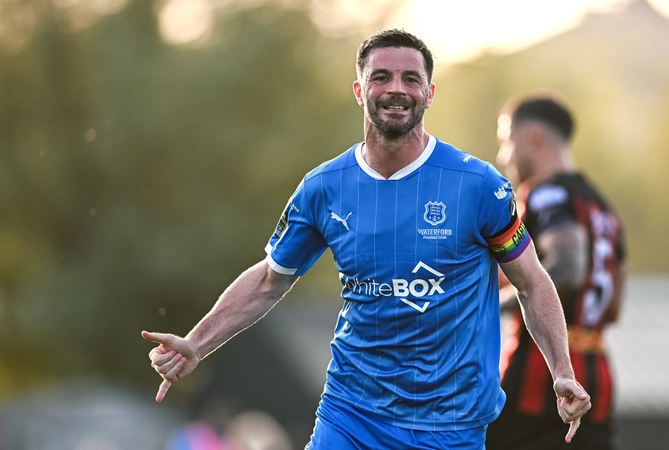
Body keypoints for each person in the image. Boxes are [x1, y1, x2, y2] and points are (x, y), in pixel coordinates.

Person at [142, 30, 591, 450]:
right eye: (381, 77)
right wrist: (196, 342)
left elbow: (532, 282)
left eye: (410, 78)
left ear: (429, 94)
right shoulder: (324, 187)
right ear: (360, 90)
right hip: (351, 414)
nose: (396, 88)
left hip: (450, 424)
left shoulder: (477, 185)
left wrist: (562, 371)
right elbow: (269, 280)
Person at [485, 95, 627, 450]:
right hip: (598, 381)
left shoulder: (548, 195)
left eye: (506, 140)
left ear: (532, 136)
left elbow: (567, 266)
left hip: (539, 380)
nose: (504, 156)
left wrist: (491, 306)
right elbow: (613, 308)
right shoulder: (603, 209)